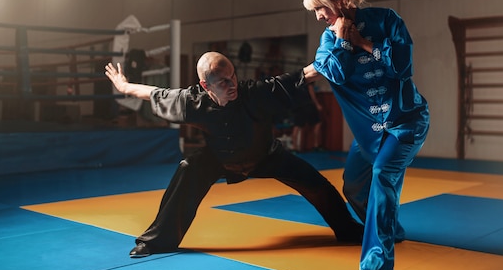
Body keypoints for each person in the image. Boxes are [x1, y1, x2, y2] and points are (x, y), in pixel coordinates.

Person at [104, 51, 363, 258]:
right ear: (206, 86)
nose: (232, 84)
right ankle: (157, 242)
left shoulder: (255, 93)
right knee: (188, 167)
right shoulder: (192, 102)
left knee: (315, 183)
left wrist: (339, 50)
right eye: (223, 82)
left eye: (233, 76)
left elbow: (303, 76)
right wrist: (124, 86)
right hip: (220, 159)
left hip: (265, 155)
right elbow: (153, 94)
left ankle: (349, 230)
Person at [301, 0, 430, 270]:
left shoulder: (387, 21)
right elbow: (334, 73)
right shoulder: (329, 38)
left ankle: (376, 269)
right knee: (354, 187)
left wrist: (361, 41)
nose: (317, 16)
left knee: (382, 176)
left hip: (405, 122)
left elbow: (402, 67)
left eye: (320, 7)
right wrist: (344, 42)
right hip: (368, 133)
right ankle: (389, 228)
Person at [291, 82, 323, 152]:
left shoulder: (295, 84)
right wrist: (317, 104)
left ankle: (294, 147)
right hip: (308, 106)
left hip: (298, 107)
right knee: (317, 123)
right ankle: (316, 145)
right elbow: (312, 95)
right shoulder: (308, 84)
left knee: (297, 126)